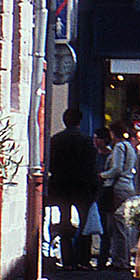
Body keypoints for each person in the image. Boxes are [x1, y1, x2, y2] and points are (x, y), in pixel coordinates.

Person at [45, 106, 100, 269]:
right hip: (82, 187)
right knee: (85, 224)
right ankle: (83, 259)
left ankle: (67, 258)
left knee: (64, 221)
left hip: (61, 187)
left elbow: (50, 164)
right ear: (79, 121)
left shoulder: (55, 140)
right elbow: (92, 166)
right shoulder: (86, 141)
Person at [97, 121, 140, 269]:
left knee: (118, 225)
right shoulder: (130, 147)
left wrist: (102, 175)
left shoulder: (120, 147)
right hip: (129, 186)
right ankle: (125, 259)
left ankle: (120, 260)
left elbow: (116, 169)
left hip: (118, 188)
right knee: (124, 224)